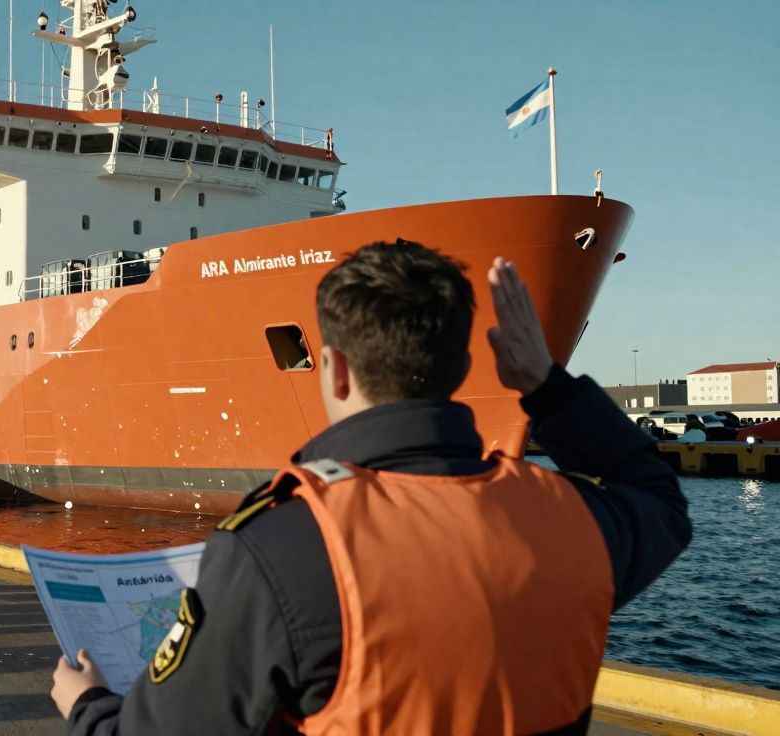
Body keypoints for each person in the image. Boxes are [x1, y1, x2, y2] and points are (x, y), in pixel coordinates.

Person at [50, 243, 692, 734]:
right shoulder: (573, 521)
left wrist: (88, 708)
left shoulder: (281, 547)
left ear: (331, 369)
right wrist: (546, 385)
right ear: (465, 367)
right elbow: (657, 495)